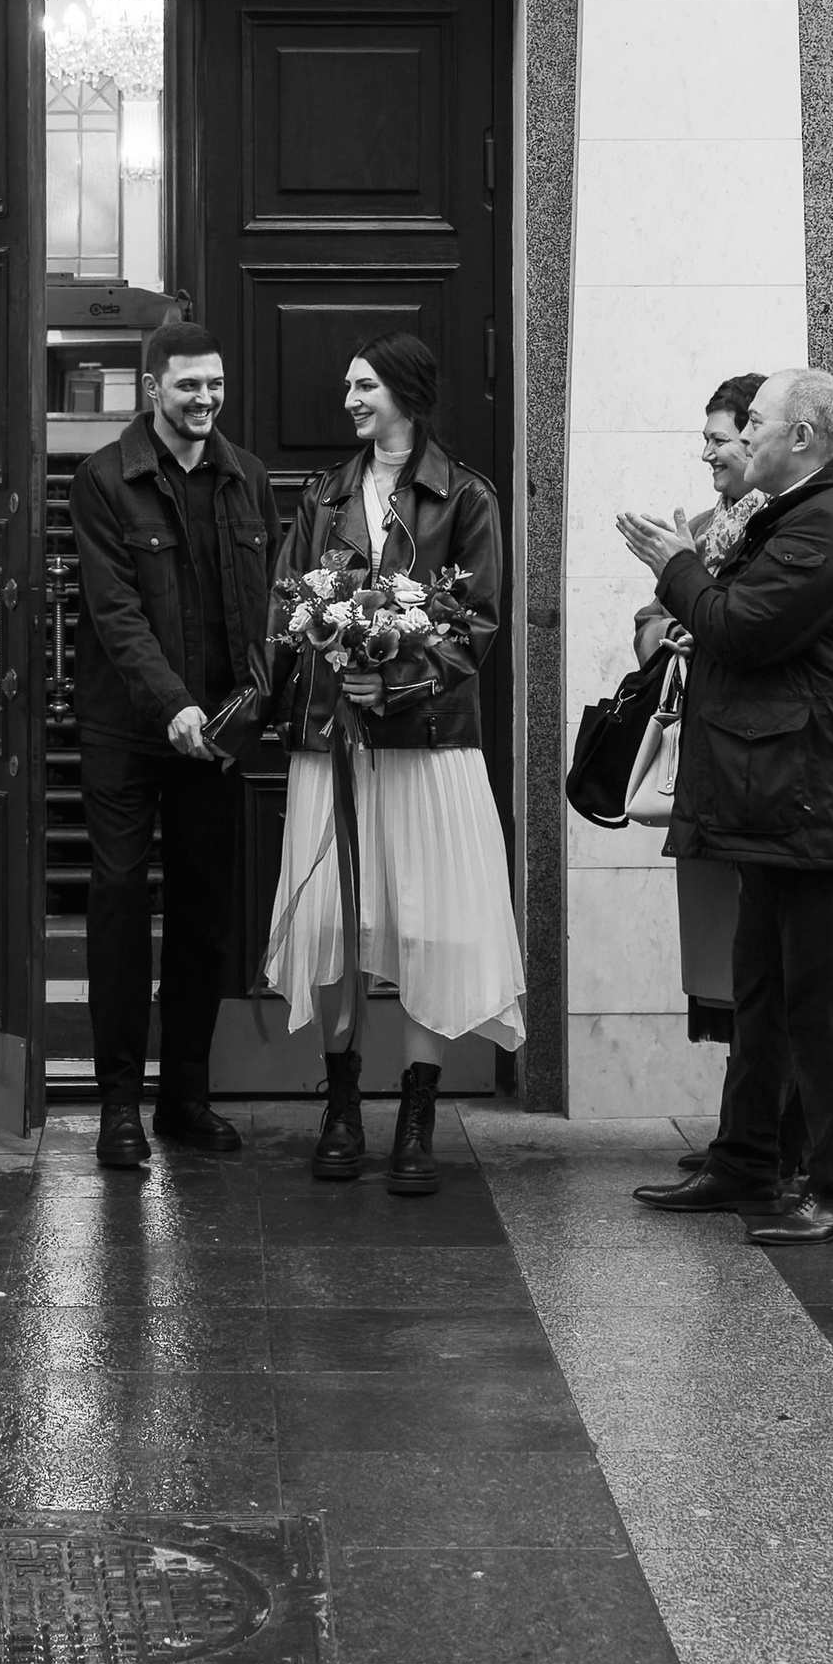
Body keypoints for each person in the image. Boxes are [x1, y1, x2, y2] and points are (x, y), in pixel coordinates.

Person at [616, 367, 833, 1244]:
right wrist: (690, 581)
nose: (741, 441)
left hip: (822, 801)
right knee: (763, 992)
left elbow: (741, 627)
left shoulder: (827, 526)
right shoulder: (794, 514)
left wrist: (675, 569)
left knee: (822, 1002)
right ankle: (746, 1162)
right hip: (784, 794)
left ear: (804, 439)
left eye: (756, 427)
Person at [265, 335, 525, 1197]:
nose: (348, 399)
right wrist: (325, 645)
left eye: (364, 384)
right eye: (346, 385)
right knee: (339, 917)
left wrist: (401, 673)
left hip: (427, 744)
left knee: (422, 922)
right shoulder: (323, 495)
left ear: (406, 394)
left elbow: (476, 623)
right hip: (333, 740)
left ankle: (418, 1115)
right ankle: (343, 1108)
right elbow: (290, 597)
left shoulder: (469, 498)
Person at [69, 318, 280, 1171]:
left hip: (219, 736)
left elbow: (267, 604)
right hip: (128, 730)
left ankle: (184, 1097)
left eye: (215, 385)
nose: (205, 399)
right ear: (152, 388)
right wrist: (173, 707)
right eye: (189, 385)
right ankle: (118, 1103)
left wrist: (248, 706)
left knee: (204, 911)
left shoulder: (247, 478)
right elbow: (115, 612)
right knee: (120, 901)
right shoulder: (103, 481)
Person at [611, 373, 811, 1213]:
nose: (708, 454)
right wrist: (683, 620)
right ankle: (742, 1149)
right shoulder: (698, 533)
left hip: (766, 782)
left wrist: (706, 612)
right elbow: (652, 630)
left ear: (762, 439)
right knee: (733, 979)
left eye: (721, 437)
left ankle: (786, 1153)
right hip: (709, 777)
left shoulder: (788, 527)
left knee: (780, 975)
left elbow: (753, 627)